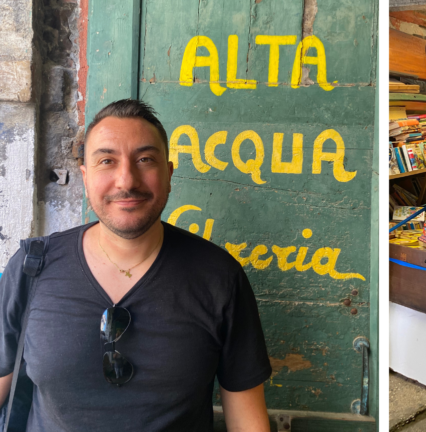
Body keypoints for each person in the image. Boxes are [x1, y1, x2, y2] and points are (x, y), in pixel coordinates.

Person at [0, 99, 271, 431]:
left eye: (145, 159)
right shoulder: (32, 268)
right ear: (85, 177)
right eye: (106, 161)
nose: (126, 180)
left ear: (168, 174)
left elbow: (248, 421)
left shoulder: (219, 278)